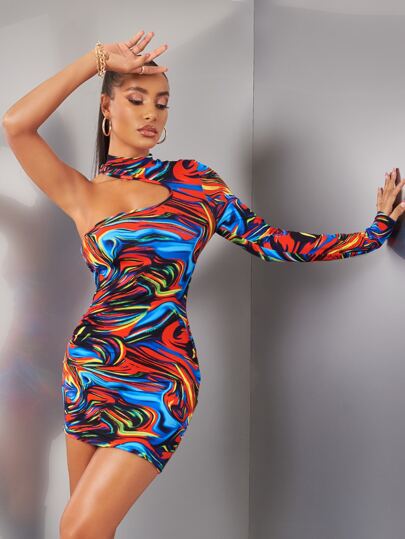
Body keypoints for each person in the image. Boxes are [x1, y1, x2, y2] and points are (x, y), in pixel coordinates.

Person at [2, 30, 404, 539]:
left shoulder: (195, 184)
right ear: (107, 108)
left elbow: (276, 242)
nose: (152, 114)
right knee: (82, 532)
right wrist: (97, 59)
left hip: (160, 376)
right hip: (89, 372)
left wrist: (373, 233)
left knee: (79, 528)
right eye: (137, 99)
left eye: (162, 103)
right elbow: (16, 125)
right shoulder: (81, 193)